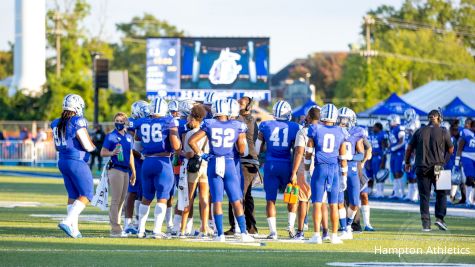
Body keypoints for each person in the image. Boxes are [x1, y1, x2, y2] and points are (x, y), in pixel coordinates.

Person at [188, 99, 254, 242]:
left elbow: (191, 141)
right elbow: (242, 150)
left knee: (217, 200)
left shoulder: (209, 124)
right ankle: (243, 233)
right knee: (236, 200)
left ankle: (220, 235)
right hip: (229, 163)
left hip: (214, 162)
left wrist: (202, 155)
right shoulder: (237, 125)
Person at [133, 97, 181, 239]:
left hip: (147, 162)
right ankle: (156, 230)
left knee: (146, 197)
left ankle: (141, 230)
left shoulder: (141, 123)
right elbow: (176, 146)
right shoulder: (168, 121)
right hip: (163, 162)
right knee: (162, 197)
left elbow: (137, 147)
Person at [51, 94, 96, 238]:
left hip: (62, 161)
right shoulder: (77, 121)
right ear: (77, 107)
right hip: (76, 161)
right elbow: (88, 146)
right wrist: (93, 146)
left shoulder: (56, 123)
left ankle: (74, 230)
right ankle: (67, 221)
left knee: (73, 195)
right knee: (87, 194)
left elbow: (57, 147)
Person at [255, 100, 301, 239]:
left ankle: (273, 232)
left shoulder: (265, 125)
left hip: (270, 165)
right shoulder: (295, 126)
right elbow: (297, 149)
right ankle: (291, 227)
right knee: (292, 197)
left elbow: (258, 149)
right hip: (287, 165)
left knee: (270, 200)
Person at [305, 103, 348, 244]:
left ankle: (317, 235)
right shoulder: (341, 131)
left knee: (317, 203)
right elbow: (343, 157)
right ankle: (334, 235)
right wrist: (344, 176)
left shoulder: (315, 128)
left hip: (320, 168)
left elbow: (309, 152)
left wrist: (306, 169)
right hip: (334, 169)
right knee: (333, 204)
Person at [405, 110, 454, 231]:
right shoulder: (444, 131)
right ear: (438, 118)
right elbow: (451, 149)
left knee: (424, 196)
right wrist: (444, 161)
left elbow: (409, 149)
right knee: (442, 194)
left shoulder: (419, 131)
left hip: (421, 166)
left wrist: (407, 162)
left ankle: (426, 225)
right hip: (439, 166)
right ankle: (440, 218)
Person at [226, 97, 259, 235]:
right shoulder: (249, 120)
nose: (238, 105)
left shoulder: (241, 120)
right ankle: (251, 226)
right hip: (248, 160)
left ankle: (237, 226)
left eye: (241, 104)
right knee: (247, 196)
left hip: (245, 161)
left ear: (248, 107)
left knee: (237, 194)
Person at [100, 112, 136, 237]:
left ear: (125, 122)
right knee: (115, 200)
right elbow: (103, 152)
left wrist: (133, 171)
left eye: (122, 121)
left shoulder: (129, 137)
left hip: (126, 170)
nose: (119, 123)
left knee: (121, 200)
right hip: (115, 169)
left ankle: (117, 225)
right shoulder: (111, 136)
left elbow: (131, 154)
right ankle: (115, 229)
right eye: (117, 120)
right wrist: (112, 152)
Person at [289, 106, 320, 240]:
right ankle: (323, 231)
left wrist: (294, 172)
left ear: (309, 117)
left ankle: (301, 231)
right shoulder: (327, 131)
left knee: (303, 200)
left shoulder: (303, 131)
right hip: (322, 167)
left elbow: (299, 152)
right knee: (320, 202)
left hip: (306, 167)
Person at [180, 104, 210, 238]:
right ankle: (204, 227)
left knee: (189, 197)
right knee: (204, 198)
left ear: (193, 119)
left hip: (193, 167)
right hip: (205, 165)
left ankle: (182, 229)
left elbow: (188, 152)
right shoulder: (207, 132)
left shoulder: (189, 134)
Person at [336, 107, 366, 240]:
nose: (342, 122)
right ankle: (343, 227)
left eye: (344, 119)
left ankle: (348, 224)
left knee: (354, 201)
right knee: (339, 200)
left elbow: (361, 154)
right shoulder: (334, 131)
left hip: (352, 169)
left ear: (351, 120)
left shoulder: (357, 132)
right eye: (340, 119)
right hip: (336, 168)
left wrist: (349, 157)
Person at [124, 100, 150, 234]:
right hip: (134, 160)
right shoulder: (130, 125)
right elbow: (128, 148)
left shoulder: (143, 123)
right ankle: (127, 223)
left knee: (143, 191)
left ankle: (140, 223)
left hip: (143, 160)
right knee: (132, 191)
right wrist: (140, 155)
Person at [455, 120, 475, 207]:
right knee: (469, 178)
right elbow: (460, 148)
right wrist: (457, 162)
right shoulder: (466, 133)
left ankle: (472, 199)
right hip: (467, 156)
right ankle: (468, 200)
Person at [403, 108, 421, 202]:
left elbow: (416, 138)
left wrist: (414, 150)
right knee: (409, 173)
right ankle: (410, 194)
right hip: (408, 149)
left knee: (413, 173)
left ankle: (415, 194)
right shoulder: (408, 123)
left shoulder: (416, 123)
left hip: (413, 150)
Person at [388, 114, 406, 199]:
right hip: (394, 153)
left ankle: (401, 192)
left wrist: (393, 148)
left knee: (398, 172)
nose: (388, 123)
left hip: (399, 153)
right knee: (394, 173)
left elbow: (402, 142)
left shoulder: (400, 128)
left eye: (389, 121)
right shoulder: (392, 129)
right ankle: (396, 192)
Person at [368, 122, 388, 198]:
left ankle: (380, 192)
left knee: (379, 175)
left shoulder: (382, 135)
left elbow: (384, 149)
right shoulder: (374, 135)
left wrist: (383, 161)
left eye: (374, 127)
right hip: (374, 157)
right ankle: (377, 191)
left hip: (379, 157)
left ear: (378, 128)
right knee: (375, 175)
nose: (373, 128)